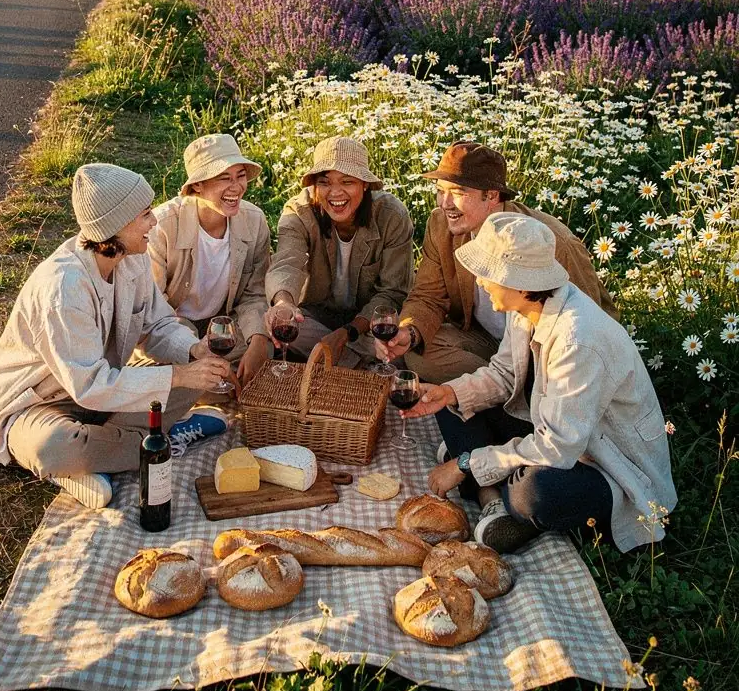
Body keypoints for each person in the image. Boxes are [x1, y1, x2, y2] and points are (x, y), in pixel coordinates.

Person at [403, 211, 676, 555]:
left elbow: (557, 448)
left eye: (487, 274)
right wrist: (448, 392)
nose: (480, 282)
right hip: (557, 429)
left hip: (608, 463)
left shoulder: (578, 338)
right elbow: (503, 374)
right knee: (451, 402)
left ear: (519, 282)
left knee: (531, 494)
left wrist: (467, 462)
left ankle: (500, 497)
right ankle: (492, 499)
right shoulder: (527, 306)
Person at [0, 163, 233, 510]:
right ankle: (144, 441)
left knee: (192, 365)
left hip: (104, 396)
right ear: (116, 225)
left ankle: (109, 455)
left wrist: (193, 350)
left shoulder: (131, 257)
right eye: (145, 215)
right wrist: (178, 374)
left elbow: (157, 326)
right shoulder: (63, 287)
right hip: (41, 403)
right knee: (54, 447)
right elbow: (90, 386)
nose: (154, 223)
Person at [377, 141, 617, 385]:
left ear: (491, 195)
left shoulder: (549, 241)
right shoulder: (441, 226)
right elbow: (428, 296)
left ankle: (512, 390)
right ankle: (505, 387)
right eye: (440, 190)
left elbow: (587, 321)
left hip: (544, 351)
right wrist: (409, 332)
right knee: (419, 355)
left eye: (458, 193)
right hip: (487, 341)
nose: (444, 203)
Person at [264, 136, 414, 366]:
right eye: (325, 182)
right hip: (315, 316)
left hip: (367, 323)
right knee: (271, 322)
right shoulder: (298, 212)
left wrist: (347, 333)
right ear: (314, 185)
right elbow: (287, 263)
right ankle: (357, 365)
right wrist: (284, 303)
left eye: (347, 182)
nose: (335, 193)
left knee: (400, 342)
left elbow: (393, 292)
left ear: (364, 184)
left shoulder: (391, 216)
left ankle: (337, 359)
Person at [148, 133, 271, 392]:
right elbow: (152, 311)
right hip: (175, 325)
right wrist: (192, 348)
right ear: (197, 186)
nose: (236, 187)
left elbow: (254, 294)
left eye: (240, 175)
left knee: (265, 350)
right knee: (179, 371)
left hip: (226, 325)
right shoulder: (162, 226)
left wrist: (258, 339)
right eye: (224, 178)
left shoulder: (254, 220)